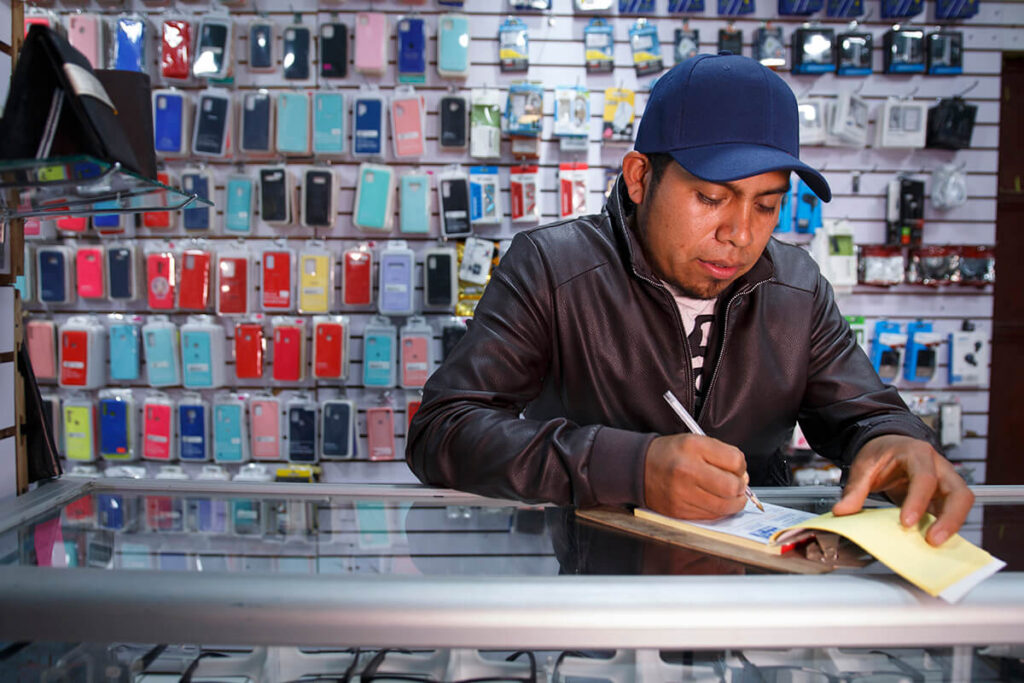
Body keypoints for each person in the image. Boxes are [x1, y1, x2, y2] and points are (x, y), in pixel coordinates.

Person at [406, 53, 973, 547]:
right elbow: (443, 431)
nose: (741, 234)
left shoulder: (796, 287)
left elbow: (867, 414)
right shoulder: (554, 268)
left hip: (755, 592)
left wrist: (895, 441)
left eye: (766, 204)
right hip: (599, 595)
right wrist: (630, 467)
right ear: (638, 178)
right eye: (711, 197)